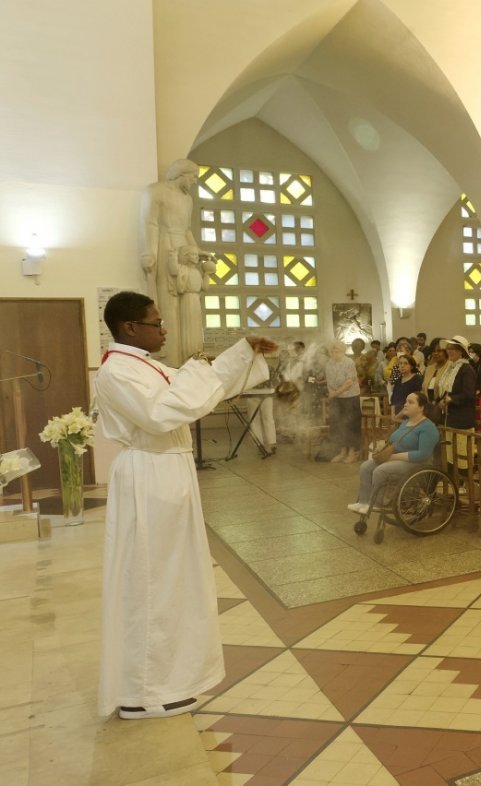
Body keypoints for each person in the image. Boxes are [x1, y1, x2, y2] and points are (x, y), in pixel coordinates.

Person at [95, 291, 274, 720]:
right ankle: (142, 690)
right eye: (157, 324)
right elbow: (165, 412)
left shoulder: (143, 364)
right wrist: (201, 370)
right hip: (149, 477)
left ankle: (167, 681)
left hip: (166, 476)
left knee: (173, 580)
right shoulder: (117, 372)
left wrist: (242, 352)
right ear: (129, 328)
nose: (164, 330)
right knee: (151, 581)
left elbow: (200, 391)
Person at [140, 158, 201, 366]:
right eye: (193, 177)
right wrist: (149, 252)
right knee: (168, 306)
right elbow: (150, 223)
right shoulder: (156, 191)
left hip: (184, 247)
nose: (194, 181)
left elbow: (188, 229)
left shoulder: (187, 199)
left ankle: (188, 360)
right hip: (165, 246)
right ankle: (171, 360)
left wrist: (198, 253)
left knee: (189, 304)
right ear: (182, 174)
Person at [348, 391, 440, 513]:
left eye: (410, 402)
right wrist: (383, 448)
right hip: (396, 459)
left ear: (421, 407)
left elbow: (423, 454)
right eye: (406, 401)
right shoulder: (406, 422)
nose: (405, 404)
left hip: (417, 465)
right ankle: (363, 502)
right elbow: (393, 441)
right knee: (366, 466)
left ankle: (376, 504)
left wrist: (394, 457)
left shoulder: (428, 427)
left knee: (381, 470)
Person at [323, 343, 362, 463]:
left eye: (338, 351)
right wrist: (332, 392)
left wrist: (336, 393)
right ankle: (342, 451)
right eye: (333, 351)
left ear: (343, 351)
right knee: (337, 424)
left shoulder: (349, 362)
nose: (335, 354)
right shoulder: (329, 363)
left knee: (350, 424)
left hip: (350, 397)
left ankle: (353, 452)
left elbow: (349, 381)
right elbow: (329, 381)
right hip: (336, 397)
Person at [435, 336, 477, 429]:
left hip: (460, 419)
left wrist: (451, 399)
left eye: (453, 349)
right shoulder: (450, 368)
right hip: (448, 417)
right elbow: (446, 390)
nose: (449, 351)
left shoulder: (466, 369)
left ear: (461, 351)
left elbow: (469, 395)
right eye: (448, 348)